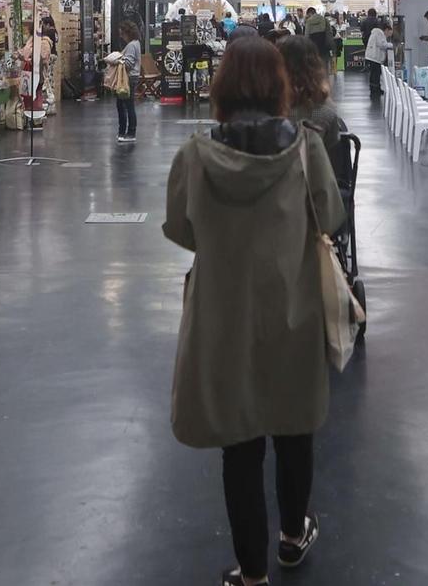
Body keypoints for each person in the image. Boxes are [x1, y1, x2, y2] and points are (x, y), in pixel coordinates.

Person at [163, 37, 343, 586]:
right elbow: (331, 217)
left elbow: (180, 229)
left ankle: (251, 571)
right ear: (279, 86)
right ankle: (293, 536)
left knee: (238, 443)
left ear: (222, 85)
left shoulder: (196, 155)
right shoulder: (307, 147)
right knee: (294, 427)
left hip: (222, 315)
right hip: (292, 307)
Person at [281, 35, 350, 194]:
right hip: (317, 194)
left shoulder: (273, 110)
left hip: (278, 195)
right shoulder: (326, 110)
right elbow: (335, 162)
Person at [115, 21, 142, 141]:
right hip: (133, 77)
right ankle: (125, 132)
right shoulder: (136, 43)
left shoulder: (131, 45)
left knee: (126, 105)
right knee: (125, 104)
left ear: (127, 33)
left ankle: (129, 132)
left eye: (122, 33)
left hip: (128, 78)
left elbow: (129, 63)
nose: (121, 36)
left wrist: (117, 60)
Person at [363, 17, 390, 105]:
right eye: (389, 32)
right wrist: (390, 45)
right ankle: (376, 89)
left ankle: (374, 88)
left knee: (373, 73)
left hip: (371, 56)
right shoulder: (379, 33)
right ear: (386, 29)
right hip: (374, 57)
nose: (389, 34)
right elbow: (381, 44)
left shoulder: (375, 32)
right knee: (376, 73)